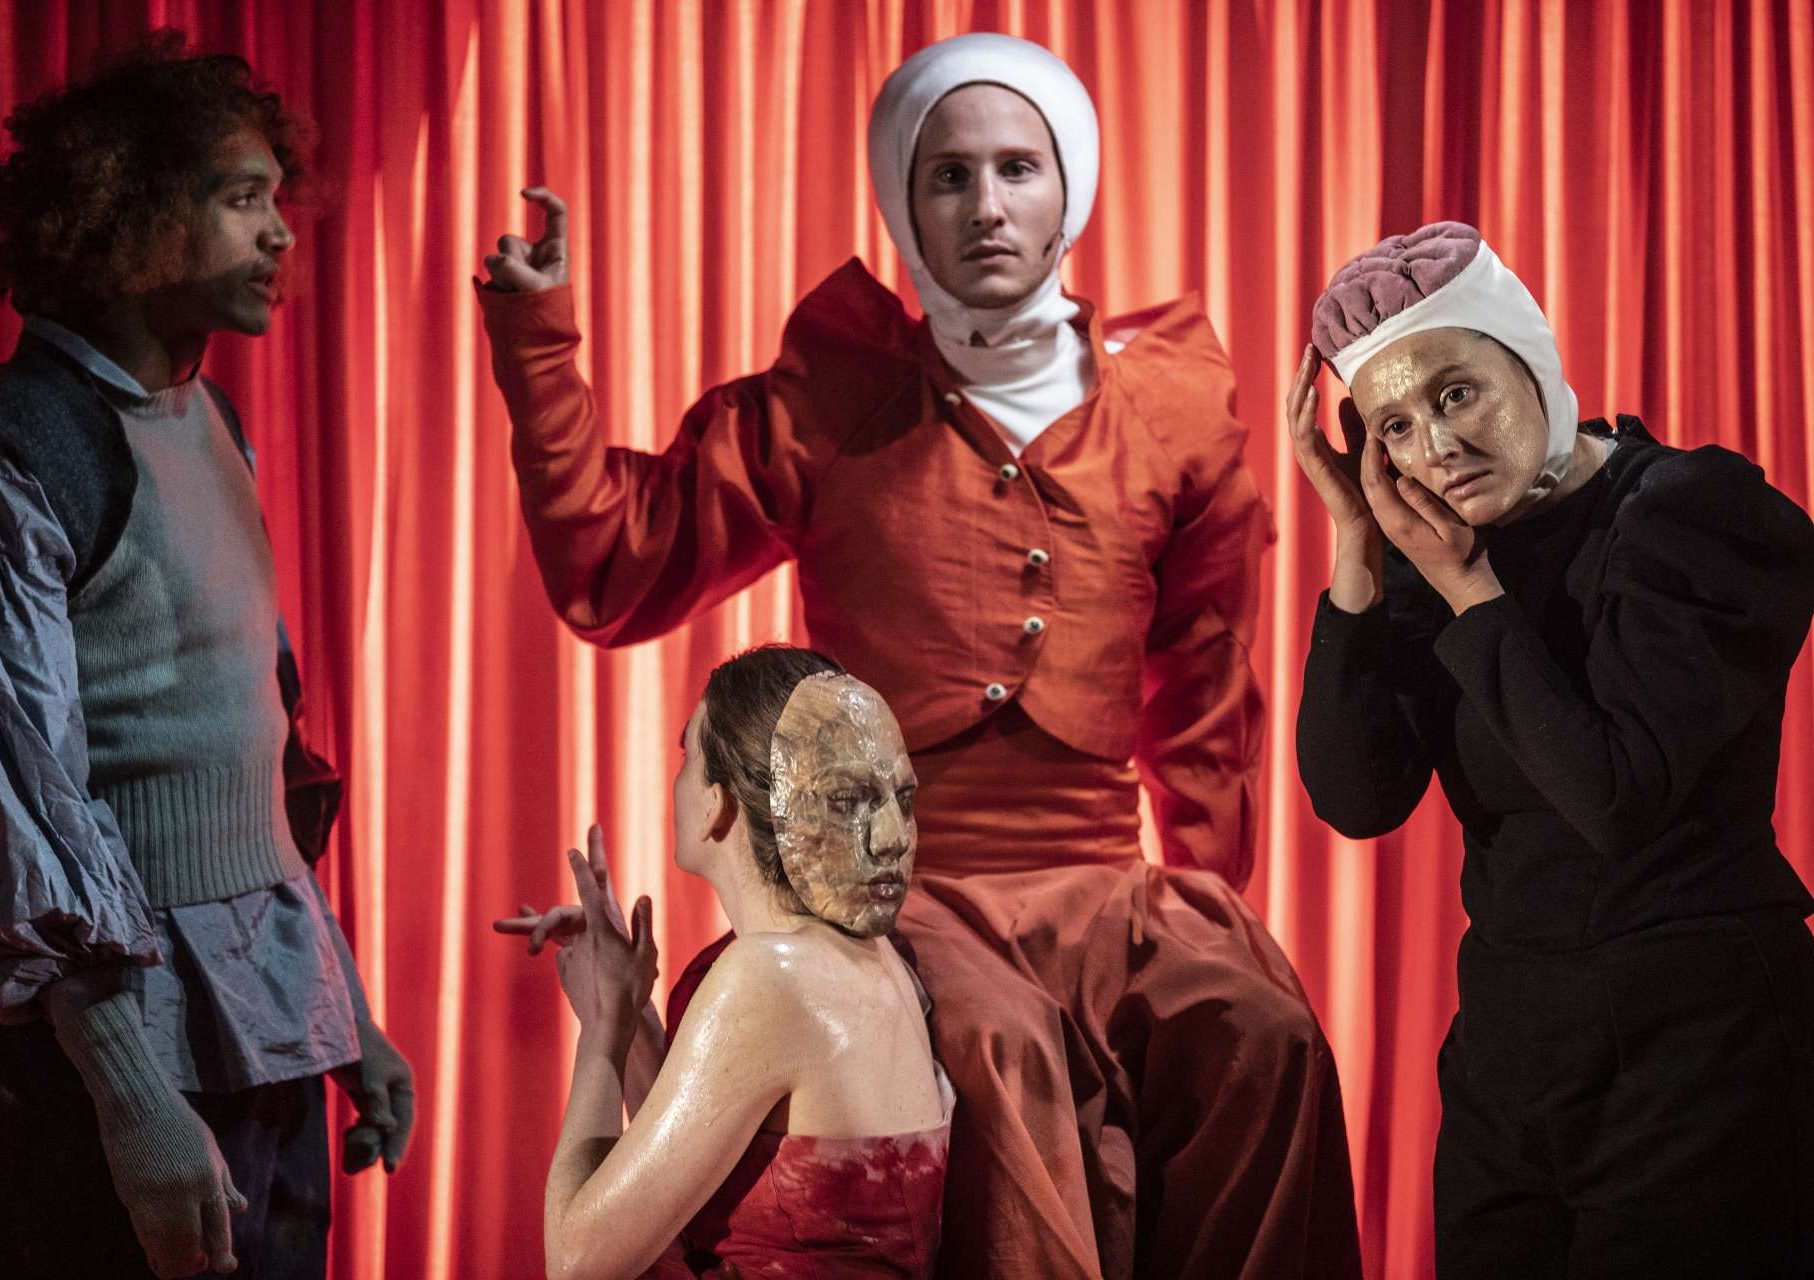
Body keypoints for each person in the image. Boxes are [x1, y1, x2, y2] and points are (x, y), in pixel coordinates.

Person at [477, 31, 1359, 1280]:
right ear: (903, 201)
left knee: (1260, 1030)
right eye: (949, 175)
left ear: (1069, 188)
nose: (986, 205)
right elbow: (614, 569)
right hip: (898, 885)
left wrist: (1210, 906)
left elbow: (1207, 688)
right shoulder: (833, 401)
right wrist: (540, 346)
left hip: (1102, 877)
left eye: (1016, 168)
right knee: (995, 1051)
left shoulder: (1170, 410)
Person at [0, 34, 413, 1280]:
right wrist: (132, 1101)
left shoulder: (208, 419)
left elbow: (251, 765)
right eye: (242, 198)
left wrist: (346, 1012)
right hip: (125, 1058)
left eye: (276, 197)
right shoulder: (14, 464)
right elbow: (21, 818)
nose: (280, 232)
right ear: (129, 217)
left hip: (266, 1023)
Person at [1289, 219, 1814, 1277]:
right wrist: (1356, 544)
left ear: (1529, 361)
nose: (1436, 447)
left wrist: (1469, 591)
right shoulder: (1438, 550)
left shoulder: (1689, 515)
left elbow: (1614, 795)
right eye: (1394, 427)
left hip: (1701, 1040)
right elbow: (1356, 797)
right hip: (1511, 1045)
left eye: (1456, 393)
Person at [496, 645, 950, 1279]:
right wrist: (632, 1011)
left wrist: (604, 1025)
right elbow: (687, 1180)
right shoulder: (871, 959)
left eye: (686, 755)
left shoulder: (770, 978)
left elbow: (577, 1263)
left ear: (717, 804)